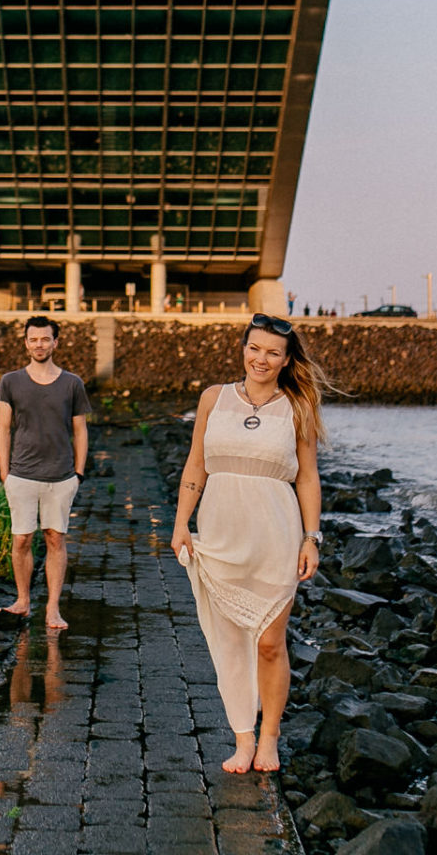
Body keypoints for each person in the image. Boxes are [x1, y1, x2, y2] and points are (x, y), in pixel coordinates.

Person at [171, 313, 325, 773]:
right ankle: (242, 738)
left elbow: (309, 478)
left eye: (273, 352)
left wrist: (311, 538)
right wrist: (181, 523)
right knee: (229, 642)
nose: (262, 359)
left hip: (276, 536)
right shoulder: (213, 399)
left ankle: (270, 737)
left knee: (270, 643)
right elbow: (196, 464)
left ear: (285, 359)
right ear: (243, 349)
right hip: (220, 533)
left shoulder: (298, 405)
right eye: (254, 348)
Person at [0, 315, 91, 631]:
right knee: (21, 539)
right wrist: (5, 473)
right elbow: (3, 428)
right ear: (25, 343)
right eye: (33, 339)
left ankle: (52, 609)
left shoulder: (72, 383)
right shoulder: (10, 381)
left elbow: (80, 430)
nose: (39, 344)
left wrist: (78, 473)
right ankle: (22, 601)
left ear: (55, 342)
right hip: (21, 475)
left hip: (61, 477)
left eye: (45, 339)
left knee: (55, 539)